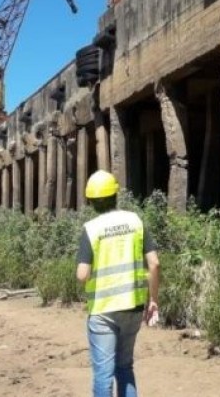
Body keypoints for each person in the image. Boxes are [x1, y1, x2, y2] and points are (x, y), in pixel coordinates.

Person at [76, 170, 161, 397]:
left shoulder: (91, 228)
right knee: (125, 367)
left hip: (103, 311)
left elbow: (82, 275)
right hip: (133, 307)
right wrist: (153, 300)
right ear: (116, 195)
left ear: (91, 201)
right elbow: (154, 264)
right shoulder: (135, 221)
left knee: (103, 374)